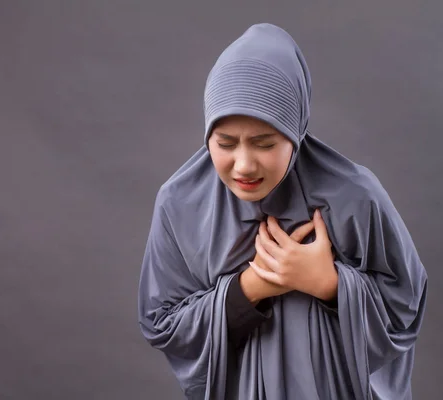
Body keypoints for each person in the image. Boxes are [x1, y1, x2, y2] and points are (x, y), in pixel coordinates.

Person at [137, 23, 427, 400]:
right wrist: (252, 288)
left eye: (264, 143)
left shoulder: (353, 194)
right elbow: (162, 324)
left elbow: (404, 306)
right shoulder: (180, 204)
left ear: (296, 130)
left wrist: (329, 284)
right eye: (225, 143)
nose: (243, 165)